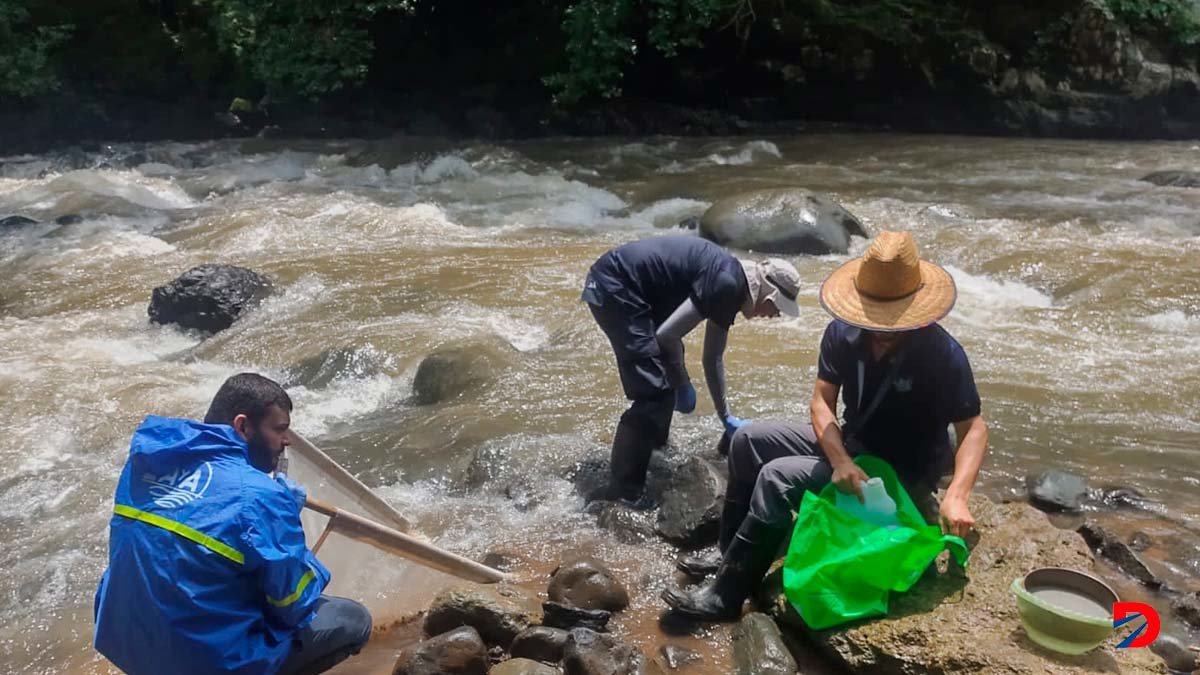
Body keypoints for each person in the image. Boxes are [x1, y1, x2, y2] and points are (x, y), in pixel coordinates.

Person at [662, 230, 990, 621]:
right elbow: (821, 402)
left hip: (901, 471)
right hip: (853, 443)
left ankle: (726, 597)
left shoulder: (941, 353)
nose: (881, 333)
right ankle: (731, 553)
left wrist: (957, 494)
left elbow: (973, 428)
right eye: (874, 318)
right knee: (745, 441)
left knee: (777, 478)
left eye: (891, 323)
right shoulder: (843, 332)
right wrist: (839, 460)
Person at [93, 373, 372, 675]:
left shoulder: (148, 460)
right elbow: (294, 605)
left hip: (125, 644)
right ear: (243, 426)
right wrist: (285, 521)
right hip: (202, 662)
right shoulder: (259, 495)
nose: (286, 441)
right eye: (279, 429)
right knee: (352, 619)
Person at [583, 235, 802, 508]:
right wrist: (682, 383)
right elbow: (666, 337)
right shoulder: (727, 284)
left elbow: (713, 357)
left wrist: (725, 416)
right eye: (777, 308)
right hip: (616, 286)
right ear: (769, 293)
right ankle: (624, 492)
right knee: (655, 394)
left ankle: (653, 451)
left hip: (631, 288)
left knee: (663, 379)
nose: (775, 316)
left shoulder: (731, 282)